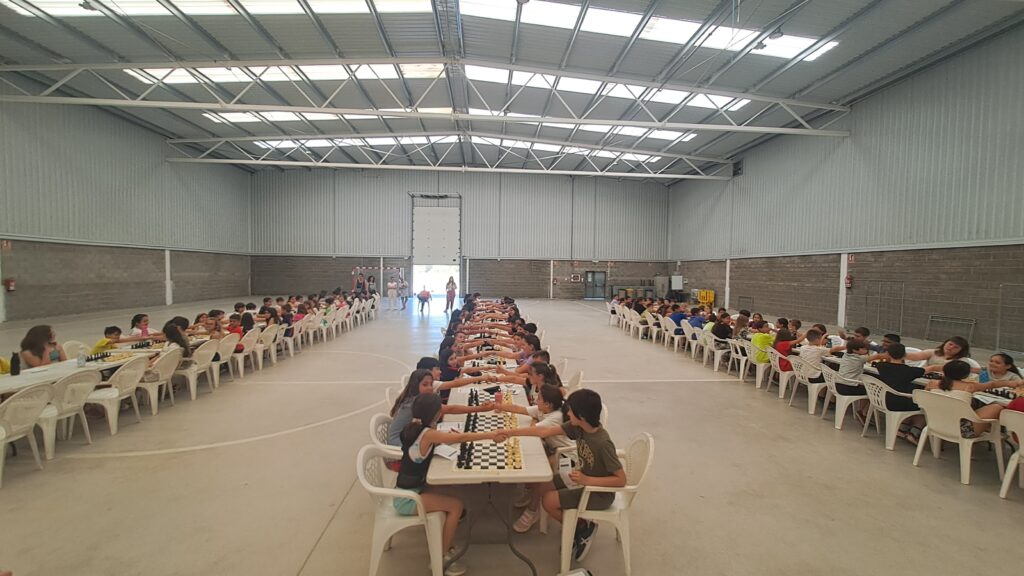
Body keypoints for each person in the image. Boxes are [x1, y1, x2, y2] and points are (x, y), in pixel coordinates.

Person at [495, 388, 623, 562]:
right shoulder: (578, 427)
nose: (567, 413)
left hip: (598, 493)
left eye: (570, 411)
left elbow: (621, 480)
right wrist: (509, 433)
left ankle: (581, 527)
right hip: (581, 479)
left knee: (548, 501)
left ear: (581, 416)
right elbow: (543, 432)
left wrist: (587, 479)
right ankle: (576, 524)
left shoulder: (603, 443)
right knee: (543, 484)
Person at [395, 393, 501, 576]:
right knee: (456, 506)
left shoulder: (416, 427)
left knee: (454, 492)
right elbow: (461, 438)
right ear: (436, 413)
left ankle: (446, 542)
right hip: (407, 499)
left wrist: (447, 437)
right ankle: (441, 557)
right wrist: (492, 435)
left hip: (412, 488)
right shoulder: (428, 433)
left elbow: (435, 441)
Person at [496, 384, 573, 533]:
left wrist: (508, 432)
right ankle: (530, 492)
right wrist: (498, 406)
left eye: (539, 398)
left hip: (567, 456)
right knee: (530, 461)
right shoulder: (544, 409)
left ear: (548, 404)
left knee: (537, 471)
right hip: (553, 450)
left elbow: (535, 431)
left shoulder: (555, 417)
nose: (535, 399)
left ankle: (533, 510)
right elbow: (520, 409)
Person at [387, 369, 495, 445]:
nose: (430, 388)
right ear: (416, 385)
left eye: (431, 384)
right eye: (425, 384)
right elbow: (451, 409)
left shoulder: (422, 395)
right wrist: (481, 409)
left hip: (409, 435)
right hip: (397, 442)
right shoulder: (415, 403)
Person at [925, 360, 1005, 437]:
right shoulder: (970, 386)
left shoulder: (932, 383)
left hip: (934, 424)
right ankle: (996, 434)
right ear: (966, 375)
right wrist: (1010, 383)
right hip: (962, 431)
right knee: (997, 407)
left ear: (944, 370)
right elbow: (991, 384)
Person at [872, 343, 927, 444]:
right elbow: (925, 370)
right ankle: (914, 432)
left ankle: (902, 429)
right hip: (900, 403)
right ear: (905, 355)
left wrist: (881, 356)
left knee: (910, 401)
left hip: (882, 399)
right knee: (923, 407)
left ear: (888, 354)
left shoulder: (881, 366)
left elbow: (877, 361)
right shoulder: (909, 371)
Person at [905, 336, 980, 372]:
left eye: (956, 347)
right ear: (945, 343)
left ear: (961, 351)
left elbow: (967, 370)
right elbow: (915, 357)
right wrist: (901, 353)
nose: (951, 347)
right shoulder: (932, 352)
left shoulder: (962, 360)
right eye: (950, 344)